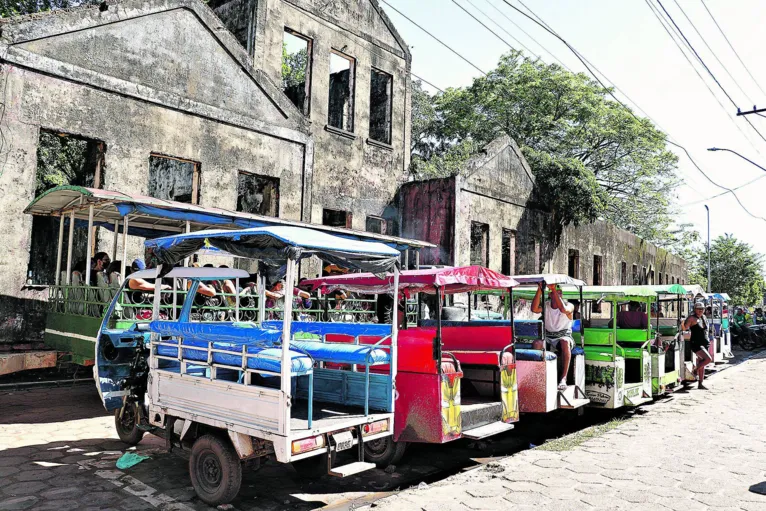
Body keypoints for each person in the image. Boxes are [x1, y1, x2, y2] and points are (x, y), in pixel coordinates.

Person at [531, 283, 574, 391]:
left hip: (564, 337)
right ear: (549, 295)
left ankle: (563, 378)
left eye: (560, 293)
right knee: (536, 343)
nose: (558, 295)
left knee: (564, 341)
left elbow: (564, 310)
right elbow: (534, 309)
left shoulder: (569, 305)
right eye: (555, 293)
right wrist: (540, 289)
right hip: (549, 337)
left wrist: (554, 290)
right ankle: (540, 376)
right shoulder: (546, 305)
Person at [683, 301, 713, 390]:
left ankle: (700, 383)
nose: (700, 310)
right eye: (698, 309)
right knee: (708, 359)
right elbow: (685, 328)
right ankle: (695, 369)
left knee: (702, 363)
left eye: (702, 309)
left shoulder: (703, 317)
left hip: (705, 342)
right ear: (695, 309)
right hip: (696, 343)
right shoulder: (692, 318)